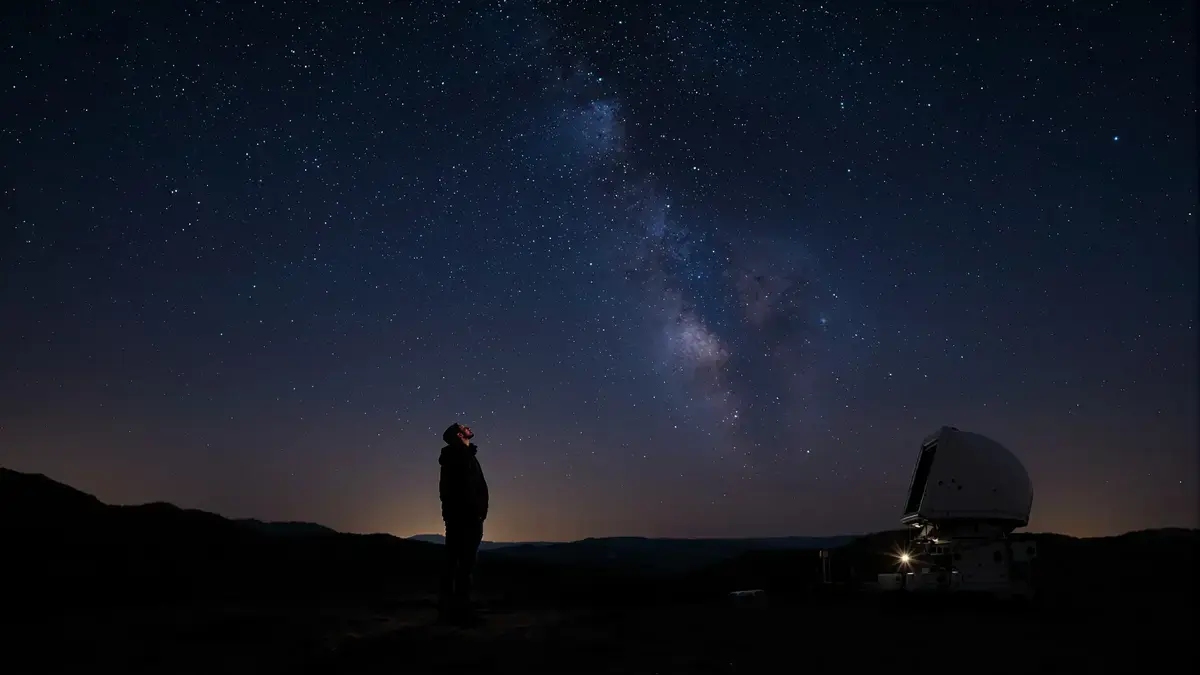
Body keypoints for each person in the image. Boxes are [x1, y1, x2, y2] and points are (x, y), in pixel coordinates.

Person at [437, 422, 489, 625]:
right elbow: (455, 489)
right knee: (462, 562)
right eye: (463, 427)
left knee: (461, 562)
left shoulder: (465, 456)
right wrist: (472, 512)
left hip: (468, 516)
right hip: (464, 517)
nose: (468, 427)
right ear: (459, 435)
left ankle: (454, 607)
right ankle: (457, 610)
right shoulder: (458, 458)